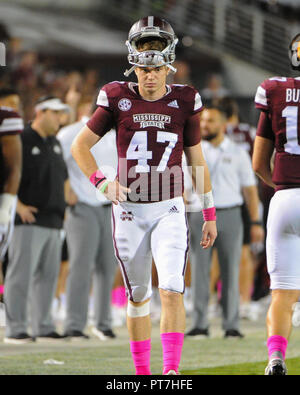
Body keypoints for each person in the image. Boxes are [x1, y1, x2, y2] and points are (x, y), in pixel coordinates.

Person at [71, 16, 217, 375]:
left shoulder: (186, 99)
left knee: (171, 288)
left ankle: (170, 372)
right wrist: (102, 183)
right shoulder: (116, 96)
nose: (149, 77)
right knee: (138, 296)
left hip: (169, 208)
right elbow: (80, 146)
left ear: (168, 66)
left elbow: (195, 159)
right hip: (129, 212)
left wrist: (209, 213)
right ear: (133, 64)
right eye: (142, 68)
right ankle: (142, 374)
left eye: (155, 69)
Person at [185, 104, 263, 339]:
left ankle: (231, 324)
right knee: (199, 270)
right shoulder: (191, 150)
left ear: (224, 124)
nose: (205, 125)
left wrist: (256, 222)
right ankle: (199, 324)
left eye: (210, 120)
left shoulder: (238, 151)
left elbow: (249, 190)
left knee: (231, 269)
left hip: (230, 213)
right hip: (198, 213)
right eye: (203, 121)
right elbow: (181, 187)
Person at [4, 96, 70, 344]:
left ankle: (43, 324)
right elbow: (7, 174)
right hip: (28, 219)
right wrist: (17, 205)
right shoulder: (21, 139)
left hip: (53, 220)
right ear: (40, 112)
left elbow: (61, 178)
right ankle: (16, 328)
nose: (60, 119)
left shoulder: (54, 142)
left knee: (48, 277)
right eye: (56, 113)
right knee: (20, 275)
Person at [252, 33, 300, 375]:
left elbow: (258, 163)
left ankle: (276, 359)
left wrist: (282, 186)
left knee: (282, 293)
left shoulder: (275, 89)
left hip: (285, 200)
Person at [57, 97, 118, 341]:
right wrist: (64, 189)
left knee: (108, 266)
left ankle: (103, 323)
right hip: (82, 206)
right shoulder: (71, 133)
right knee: (81, 266)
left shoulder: (114, 136)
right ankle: (74, 323)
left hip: (109, 207)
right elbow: (54, 162)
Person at [0, 88, 23, 264]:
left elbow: (14, 166)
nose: (16, 107)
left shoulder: (6, 118)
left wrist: (6, 204)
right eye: (12, 102)